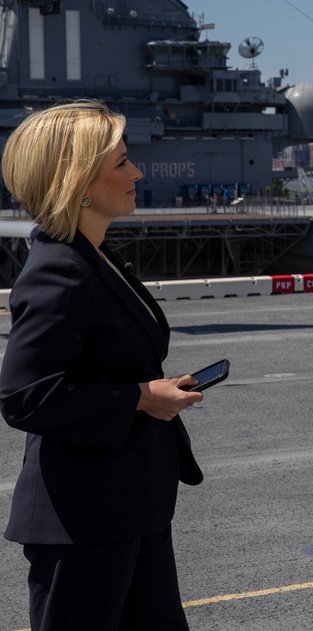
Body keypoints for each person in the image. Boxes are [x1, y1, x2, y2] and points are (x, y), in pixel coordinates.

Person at [0, 100, 205, 630]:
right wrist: (139, 397)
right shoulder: (59, 272)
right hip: (83, 522)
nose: (136, 171)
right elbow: (24, 396)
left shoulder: (93, 256)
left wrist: (153, 386)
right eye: (121, 163)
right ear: (79, 184)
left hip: (130, 506)